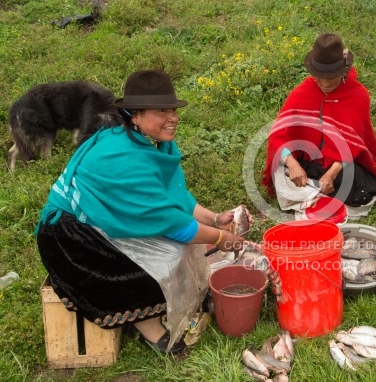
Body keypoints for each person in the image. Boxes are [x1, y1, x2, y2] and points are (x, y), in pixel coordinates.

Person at [35, 69, 250, 354]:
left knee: (180, 247)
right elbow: (175, 226)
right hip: (72, 237)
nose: (172, 117)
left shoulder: (147, 140)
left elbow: (172, 197)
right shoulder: (121, 156)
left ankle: (156, 307)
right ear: (135, 115)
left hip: (98, 220)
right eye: (162, 110)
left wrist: (214, 219)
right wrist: (224, 240)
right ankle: (147, 326)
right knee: (165, 257)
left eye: (173, 109)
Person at [262, 33, 376, 216]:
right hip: (306, 160)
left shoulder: (358, 96)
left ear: (343, 71)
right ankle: (315, 192)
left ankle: (312, 194)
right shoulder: (302, 92)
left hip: (340, 163)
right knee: (281, 171)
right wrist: (292, 164)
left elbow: (353, 144)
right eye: (319, 76)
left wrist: (332, 173)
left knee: (363, 190)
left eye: (330, 77)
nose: (324, 83)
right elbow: (279, 135)